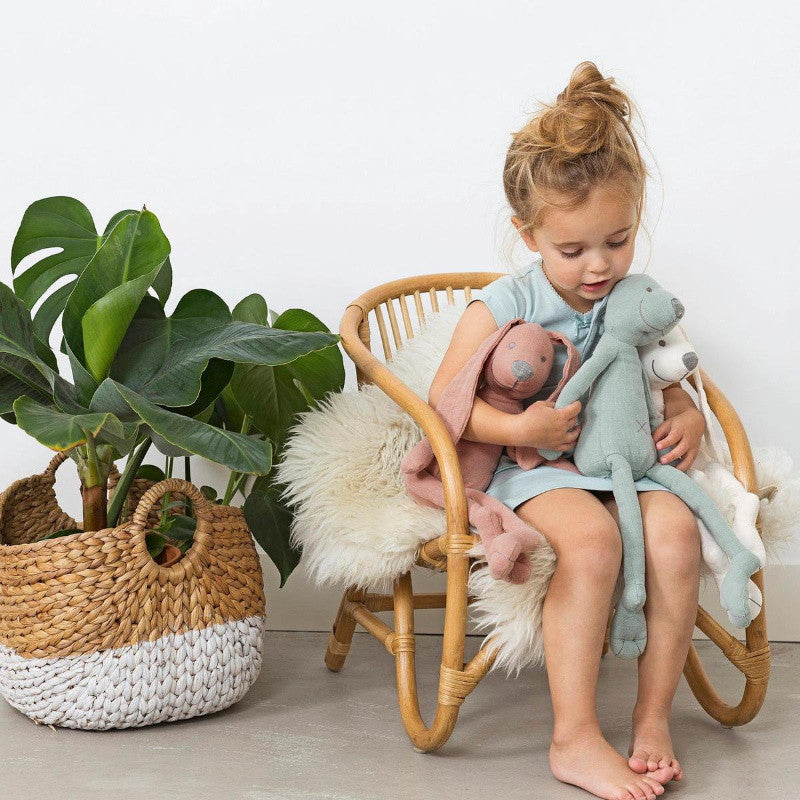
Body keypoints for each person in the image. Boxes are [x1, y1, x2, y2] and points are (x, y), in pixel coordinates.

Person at [428, 61, 707, 800]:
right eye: (573, 250)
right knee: (592, 540)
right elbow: (443, 402)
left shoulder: (636, 299)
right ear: (528, 233)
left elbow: (670, 378)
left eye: (616, 242)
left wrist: (686, 416)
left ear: (636, 220)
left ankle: (652, 718)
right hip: (541, 466)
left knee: (676, 534)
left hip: (627, 461)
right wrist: (524, 421)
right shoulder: (507, 301)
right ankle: (574, 736)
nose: (599, 266)